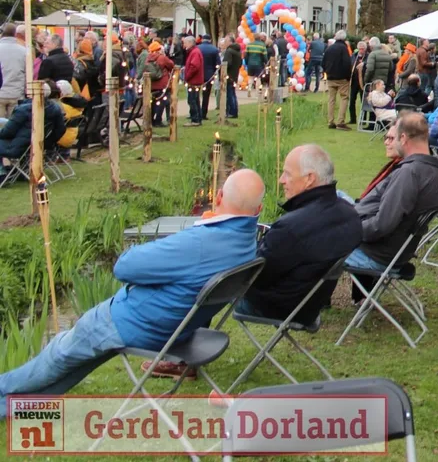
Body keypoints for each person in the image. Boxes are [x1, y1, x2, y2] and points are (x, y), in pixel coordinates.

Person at [0, 170, 264, 412]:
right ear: (258, 209)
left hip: (133, 325)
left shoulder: (200, 243)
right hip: (173, 330)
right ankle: (9, 406)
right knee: (71, 362)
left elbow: (125, 266)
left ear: (218, 196)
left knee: (57, 354)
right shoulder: (245, 243)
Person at [238, 145, 362, 323]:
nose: (281, 180)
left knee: (202, 283)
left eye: (287, 174)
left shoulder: (291, 228)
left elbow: (255, 276)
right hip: (311, 304)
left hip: (279, 307)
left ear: (309, 179)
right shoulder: (350, 215)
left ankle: (188, 338)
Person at [347, 113, 438, 289]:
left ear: (403, 137)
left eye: (393, 137)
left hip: (376, 254)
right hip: (395, 250)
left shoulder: (409, 173)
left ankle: (304, 308)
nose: (389, 142)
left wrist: (346, 230)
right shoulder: (435, 171)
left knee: (313, 239)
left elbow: (381, 225)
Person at [0, 83, 67, 161]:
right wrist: (47, 143)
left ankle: (2, 170)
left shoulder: (23, 110)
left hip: (17, 147)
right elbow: (61, 129)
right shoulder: (55, 108)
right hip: (37, 146)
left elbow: (7, 133)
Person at [321, 29, 353, 130]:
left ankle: (330, 121)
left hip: (330, 77)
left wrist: (327, 71)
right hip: (342, 78)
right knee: (344, 98)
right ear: (344, 38)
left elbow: (323, 62)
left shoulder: (330, 48)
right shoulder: (344, 48)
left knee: (331, 99)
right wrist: (348, 76)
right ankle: (340, 121)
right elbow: (347, 63)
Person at [140, 41, 174, 127]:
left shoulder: (148, 58)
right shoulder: (162, 58)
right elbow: (171, 65)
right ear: (158, 49)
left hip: (151, 84)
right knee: (162, 103)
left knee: (153, 103)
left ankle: (150, 120)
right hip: (162, 84)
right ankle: (158, 120)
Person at [0, 23, 27, 118]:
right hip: (16, 93)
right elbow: (27, 72)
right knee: (14, 127)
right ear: (15, 34)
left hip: (1, 93)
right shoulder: (24, 51)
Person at [182, 35, 204, 126]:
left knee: (192, 100)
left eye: (185, 43)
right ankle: (197, 118)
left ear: (190, 43)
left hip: (194, 81)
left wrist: (187, 76)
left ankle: (195, 119)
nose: (184, 45)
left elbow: (194, 66)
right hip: (195, 80)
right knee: (195, 99)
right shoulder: (193, 51)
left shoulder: (194, 52)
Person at [197, 35, 220, 122]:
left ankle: (196, 112)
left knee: (195, 94)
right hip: (209, 75)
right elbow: (218, 63)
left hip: (198, 74)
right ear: (210, 40)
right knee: (206, 95)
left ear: (202, 40)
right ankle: (203, 113)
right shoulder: (214, 49)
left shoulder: (197, 48)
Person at [221, 37, 242, 120]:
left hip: (229, 75)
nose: (224, 43)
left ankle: (231, 112)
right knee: (232, 93)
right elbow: (240, 63)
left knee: (230, 94)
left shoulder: (229, 51)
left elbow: (227, 63)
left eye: (225, 41)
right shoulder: (238, 51)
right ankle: (233, 111)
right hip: (235, 75)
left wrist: (222, 67)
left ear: (230, 42)